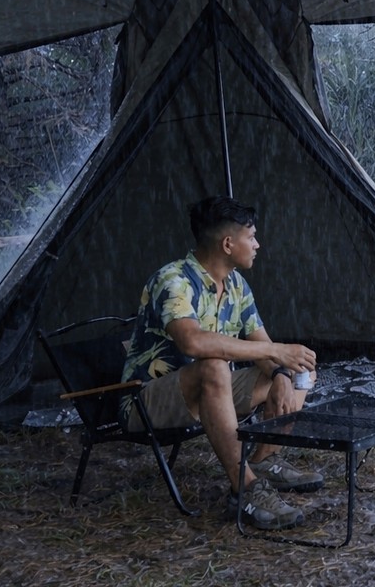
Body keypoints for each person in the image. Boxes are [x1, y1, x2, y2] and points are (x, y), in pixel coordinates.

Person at [120, 195, 322, 529]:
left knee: (301, 369)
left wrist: (283, 372)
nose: (257, 244)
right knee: (214, 365)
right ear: (228, 244)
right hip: (147, 400)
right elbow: (194, 342)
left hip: (214, 392)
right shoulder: (173, 280)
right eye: (251, 237)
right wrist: (275, 353)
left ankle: (266, 461)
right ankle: (245, 490)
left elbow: (264, 346)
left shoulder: (237, 285)